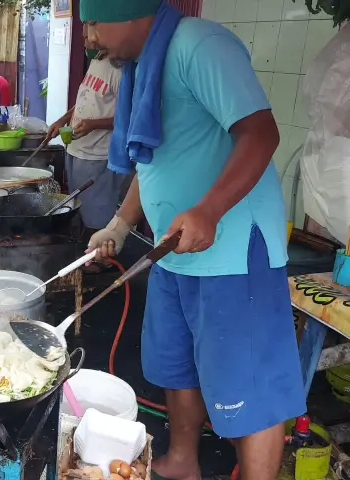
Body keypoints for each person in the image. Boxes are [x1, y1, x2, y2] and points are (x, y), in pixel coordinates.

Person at [82, 1, 306, 480]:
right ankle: (183, 461)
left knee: (251, 386)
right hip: (173, 252)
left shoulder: (200, 46)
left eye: (95, 22)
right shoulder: (144, 64)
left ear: (129, 12)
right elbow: (155, 156)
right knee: (175, 366)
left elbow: (261, 134)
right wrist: (121, 224)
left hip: (231, 254)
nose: (90, 37)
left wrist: (209, 210)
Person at [45, 37, 123, 235]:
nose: (85, 41)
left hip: (98, 155)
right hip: (76, 150)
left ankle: (100, 261)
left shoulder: (120, 70)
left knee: (98, 215)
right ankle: (84, 255)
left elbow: (128, 117)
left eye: (89, 36)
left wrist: (94, 125)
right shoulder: (96, 62)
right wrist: (63, 119)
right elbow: (85, 100)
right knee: (81, 209)